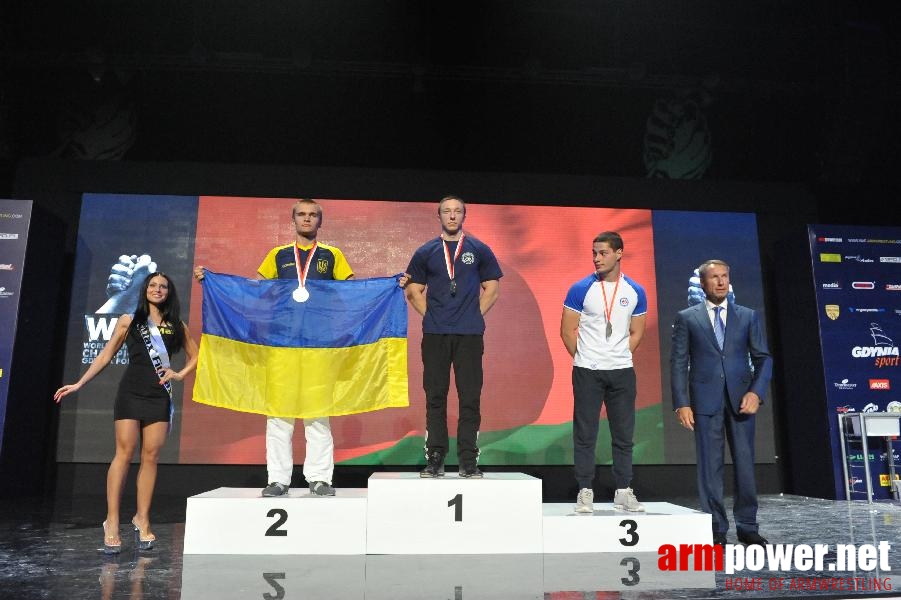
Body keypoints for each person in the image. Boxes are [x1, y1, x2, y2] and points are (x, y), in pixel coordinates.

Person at [194, 198, 353, 498]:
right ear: (292, 220)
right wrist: (214, 282)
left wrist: (389, 288)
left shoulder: (333, 256)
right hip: (281, 345)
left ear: (321, 221)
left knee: (318, 415)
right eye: (301, 215)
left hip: (319, 346)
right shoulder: (278, 256)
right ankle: (278, 479)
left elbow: (350, 292)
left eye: (312, 215)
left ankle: (319, 478)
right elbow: (256, 291)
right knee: (279, 415)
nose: (307, 220)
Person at [55, 272, 198, 553]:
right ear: (145, 290)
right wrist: (80, 383)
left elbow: (196, 355)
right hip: (130, 393)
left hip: (159, 396)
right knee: (124, 453)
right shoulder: (128, 320)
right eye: (153, 285)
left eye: (163, 287)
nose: (158, 290)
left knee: (151, 457)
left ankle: (142, 519)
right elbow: (106, 355)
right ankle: (112, 520)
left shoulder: (177, 326)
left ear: (169, 292)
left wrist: (179, 375)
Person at [670, 259, 773, 547]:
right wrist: (681, 403)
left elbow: (764, 359)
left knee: (744, 464)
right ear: (703, 284)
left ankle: (748, 526)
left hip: (742, 400)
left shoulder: (748, 316)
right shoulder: (687, 317)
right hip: (704, 401)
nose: (720, 282)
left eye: (724, 276)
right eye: (714, 277)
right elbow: (678, 363)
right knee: (709, 467)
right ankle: (716, 528)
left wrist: (757, 392)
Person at [403, 195, 502, 478]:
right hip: (435, 334)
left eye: (457, 211)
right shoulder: (426, 252)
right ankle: (435, 457)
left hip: (469, 335)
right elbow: (413, 290)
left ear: (464, 216)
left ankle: (468, 459)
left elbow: (492, 289)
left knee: (470, 396)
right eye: (447, 211)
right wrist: (432, 316)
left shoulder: (479, 249)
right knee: (436, 396)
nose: (452, 216)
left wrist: (473, 315)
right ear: (439, 216)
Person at [560, 231, 647, 514]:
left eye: (603, 253)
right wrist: (586, 357)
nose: (597, 258)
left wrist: (617, 356)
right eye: (594, 253)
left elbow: (636, 332)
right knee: (585, 433)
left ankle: (623, 490)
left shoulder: (635, 291)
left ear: (619, 253)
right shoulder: (580, 289)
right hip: (587, 371)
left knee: (623, 434)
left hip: (621, 372)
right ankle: (585, 491)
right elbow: (566, 330)